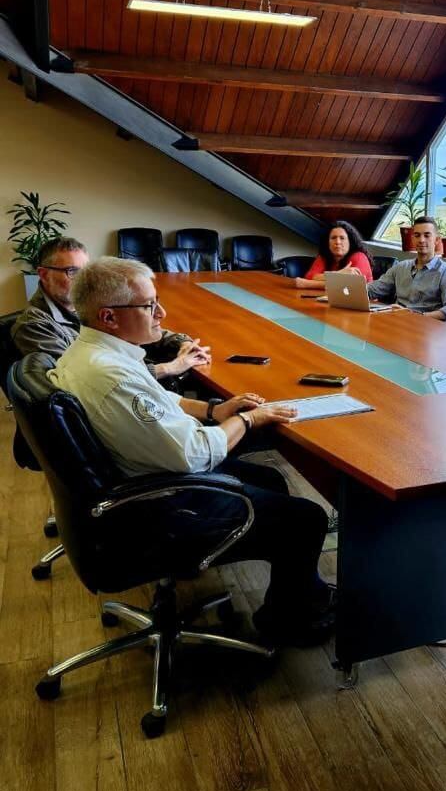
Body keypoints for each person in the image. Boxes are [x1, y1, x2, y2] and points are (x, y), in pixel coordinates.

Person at [47, 257, 334, 644]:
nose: (161, 313)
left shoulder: (91, 354)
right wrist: (250, 419)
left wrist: (215, 410)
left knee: (267, 478)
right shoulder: (111, 376)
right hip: (161, 501)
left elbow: (158, 397)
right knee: (307, 517)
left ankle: (297, 592)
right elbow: (194, 455)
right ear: (109, 317)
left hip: (135, 482)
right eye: (149, 305)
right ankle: (289, 620)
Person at [12, 237, 210, 385]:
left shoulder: (84, 304)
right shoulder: (33, 325)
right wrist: (170, 368)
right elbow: (82, 380)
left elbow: (137, 327)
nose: (83, 281)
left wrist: (183, 343)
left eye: (86, 272)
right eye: (72, 272)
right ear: (44, 274)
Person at [366, 216, 446, 320]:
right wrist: (350, 285)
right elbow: (374, 289)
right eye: (417, 235)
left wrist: (418, 316)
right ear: (413, 239)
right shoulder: (401, 267)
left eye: (427, 235)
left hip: (425, 327)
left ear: (437, 240)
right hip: (398, 322)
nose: (421, 240)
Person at [293, 220, 374, 289]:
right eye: (333, 238)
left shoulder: (359, 256)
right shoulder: (325, 255)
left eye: (342, 238)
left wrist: (308, 284)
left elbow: (348, 287)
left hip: (366, 303)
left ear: (350, 241)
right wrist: (340, 274)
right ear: (328, 242)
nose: (338, 242)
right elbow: (310, 277)